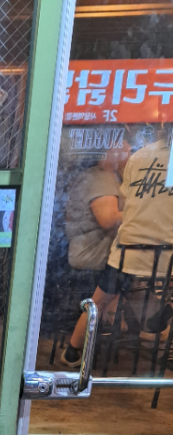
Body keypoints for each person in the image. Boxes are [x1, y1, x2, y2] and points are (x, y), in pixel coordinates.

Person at [62, 128, 173, 367]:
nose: (128, 147)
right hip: (163, 252)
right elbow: (111, 216)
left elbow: (130, 196)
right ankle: (154, 325)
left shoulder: (140, 156)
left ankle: (73, 350)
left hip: (127, 249)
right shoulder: (102, 176)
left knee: (101, 299)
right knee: (153, 286)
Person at [64, 141, 128, 273]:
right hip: (92, 256)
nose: (130, 149)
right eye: (127, 148)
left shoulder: (111, 176)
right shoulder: (100, 178)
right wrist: (142, 214)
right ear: (111, 149)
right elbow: (108, 219)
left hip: (96, 258)